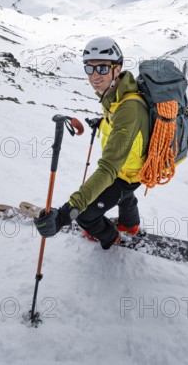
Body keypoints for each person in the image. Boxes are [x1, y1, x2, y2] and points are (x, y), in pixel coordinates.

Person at [34, 37, 150, 249]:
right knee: (125, 196)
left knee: (86, 215)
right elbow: (127, 127)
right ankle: (130, 226)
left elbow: (108, 169)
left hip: (124, 173)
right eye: (89, 68)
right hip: (133, 167)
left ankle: (110, 237)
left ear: (118, 68)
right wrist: (105, 123)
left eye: (103, 68)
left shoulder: (128, 106)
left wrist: (66, 214)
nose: (95, 76)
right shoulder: (118, 93)